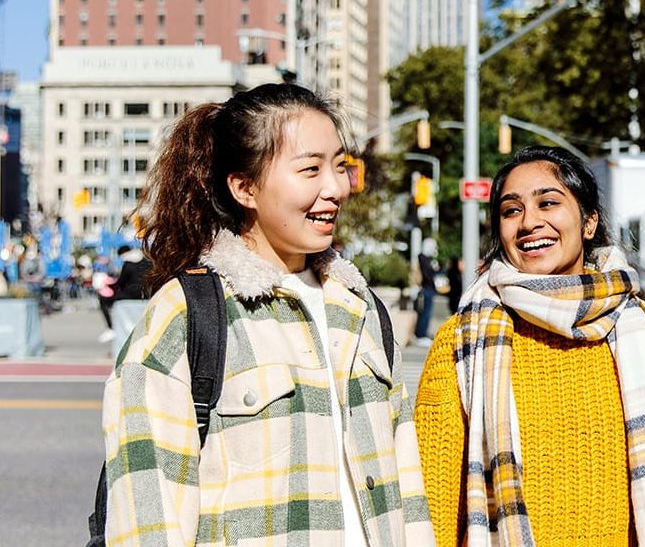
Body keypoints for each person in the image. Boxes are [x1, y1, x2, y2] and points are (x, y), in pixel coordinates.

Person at [101, 83, 434, 546]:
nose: (336, 187)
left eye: (339, 166)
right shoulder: (189, 314)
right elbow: (147, 518)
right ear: (244, 187)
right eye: (310, 169)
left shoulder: (362, 312)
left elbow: (406, 493)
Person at [414, 146, 645, 546]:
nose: (530, 222)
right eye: (511, 211)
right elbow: (432, 501)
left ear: (588, 221)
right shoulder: (462, 339)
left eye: (548, 203)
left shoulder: (641, 329)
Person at [95, 245, 152, 343]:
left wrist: (110, 285)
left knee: (103, 300)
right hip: (147, 294)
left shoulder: (128, 263)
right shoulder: (146, 261)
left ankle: (111, 328)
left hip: (132, 295)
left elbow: (121, 282)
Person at [414, 237, 440, 347]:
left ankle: (423, 334)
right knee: (425, 313)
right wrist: (434, 270)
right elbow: (427, 274)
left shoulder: (426, 259)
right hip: (426, 289)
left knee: (426, 313)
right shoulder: (423, 258)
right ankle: (421, 335)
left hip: (428, 289)